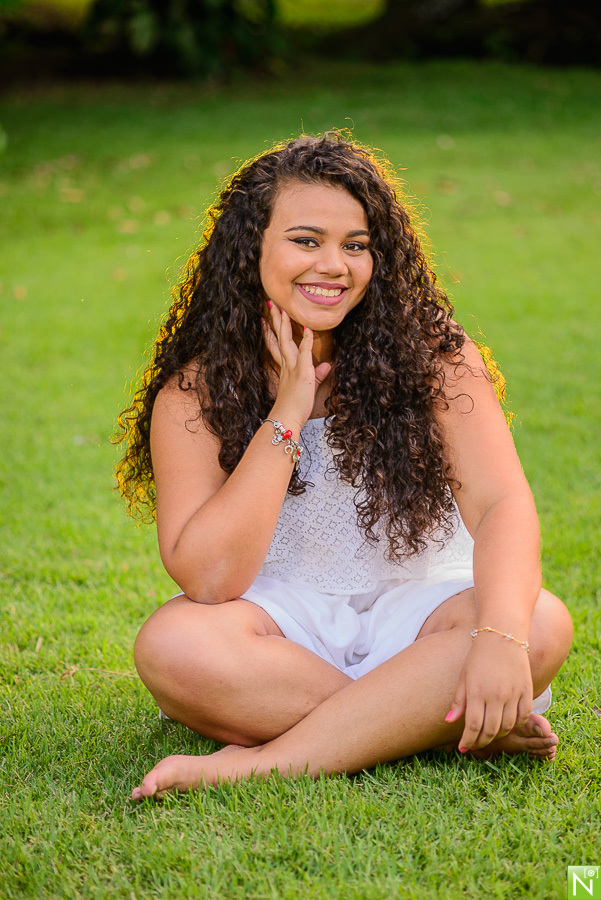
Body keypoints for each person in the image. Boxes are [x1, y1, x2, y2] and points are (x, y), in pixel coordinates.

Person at [115, 133, 573, 800]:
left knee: (537, 623)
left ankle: (263, 762)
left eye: (355, 245)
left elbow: (501, 504)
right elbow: (211, 579)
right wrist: (287, 414)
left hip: (422, 618)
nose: (333, 265)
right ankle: (434, 722)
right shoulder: (194, 393)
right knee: (173, 646)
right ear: (252, 250)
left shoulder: (435, 356)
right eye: (306, 240)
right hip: (279, 632)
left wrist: (500, 643)